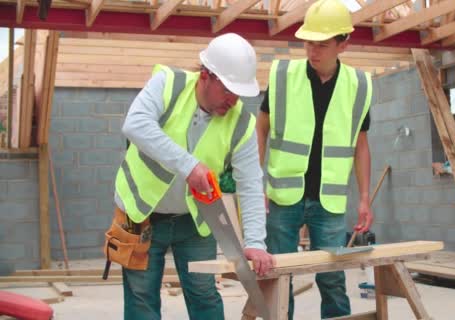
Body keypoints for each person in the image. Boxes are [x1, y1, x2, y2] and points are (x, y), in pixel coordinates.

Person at [113, 33, 274, 320]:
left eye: (238, 92)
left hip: (194, 220)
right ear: (205, 75)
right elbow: (135, 124)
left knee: (204, 296)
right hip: (141, 213)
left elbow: (250, 185)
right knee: (141, 299)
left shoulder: (242, 124)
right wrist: (188, 165)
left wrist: (255, 244)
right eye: (227, 89)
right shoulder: (168, 85)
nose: (233, 99)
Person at [256, 0, 374, 318]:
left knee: (332, 279)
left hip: (330, 201)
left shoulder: (359, 85)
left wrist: (364, 198)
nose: (312, 51)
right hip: (283, 195)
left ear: (343, 43)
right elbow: (262, 128)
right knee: (279, 276)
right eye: (308, 43)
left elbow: (360, 145)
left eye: (321, 45)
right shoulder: (283, 75)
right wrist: (258, 184)